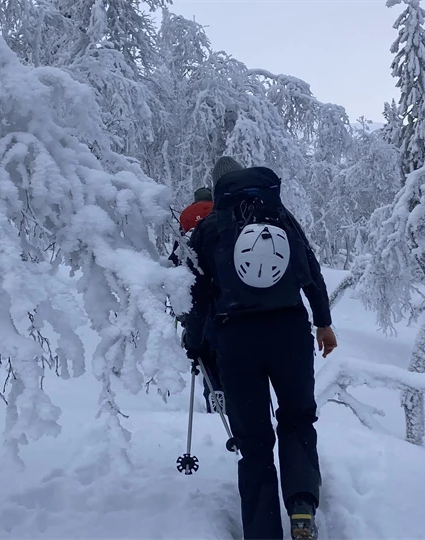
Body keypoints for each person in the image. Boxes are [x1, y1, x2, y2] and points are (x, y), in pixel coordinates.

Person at [183, 156, 338, 540]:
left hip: (236, 341)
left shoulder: (210, 229)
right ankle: (301, 506)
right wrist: (323, 323)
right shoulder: (280, 218)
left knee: (253, 441)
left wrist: (194, 342)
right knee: (297, 417)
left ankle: (262, 531)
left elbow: (197, 295)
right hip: (289, 332)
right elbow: (311, 271)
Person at [170, 187, 225, 414]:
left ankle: (213, 392)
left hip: (195, 288)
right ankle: (229, 389)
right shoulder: (221, 212)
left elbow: (178, 254)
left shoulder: (185, 216)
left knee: (202, 344)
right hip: (221, 288)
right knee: (223, 343)